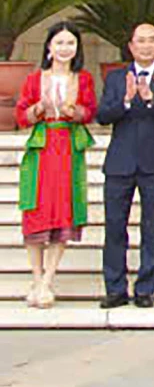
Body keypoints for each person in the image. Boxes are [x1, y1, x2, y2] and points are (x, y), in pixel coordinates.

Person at [97, 23, 154, 309]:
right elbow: (103, 115)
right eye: (141, 41)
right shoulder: (116, 77)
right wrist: (125, 100)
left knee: (152, 227)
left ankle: (145, 288)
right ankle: (115, 288)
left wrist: (150, 99)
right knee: (114, 227)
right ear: (131, 46)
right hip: (120, 162)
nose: (146, 46)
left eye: (152, 40)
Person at [16, 23, 96, 309]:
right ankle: (37, 279)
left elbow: (90, 111)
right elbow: (21, 116)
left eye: (70, 43)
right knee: (36, 211)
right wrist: (39, 108)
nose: (65, 48)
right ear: (49, 47)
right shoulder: (35, 79)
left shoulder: (83, 79)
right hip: (42, 149)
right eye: (60, 42)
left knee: (63, 210)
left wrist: (73, 111)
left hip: (68, 150)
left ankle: (47, 281)